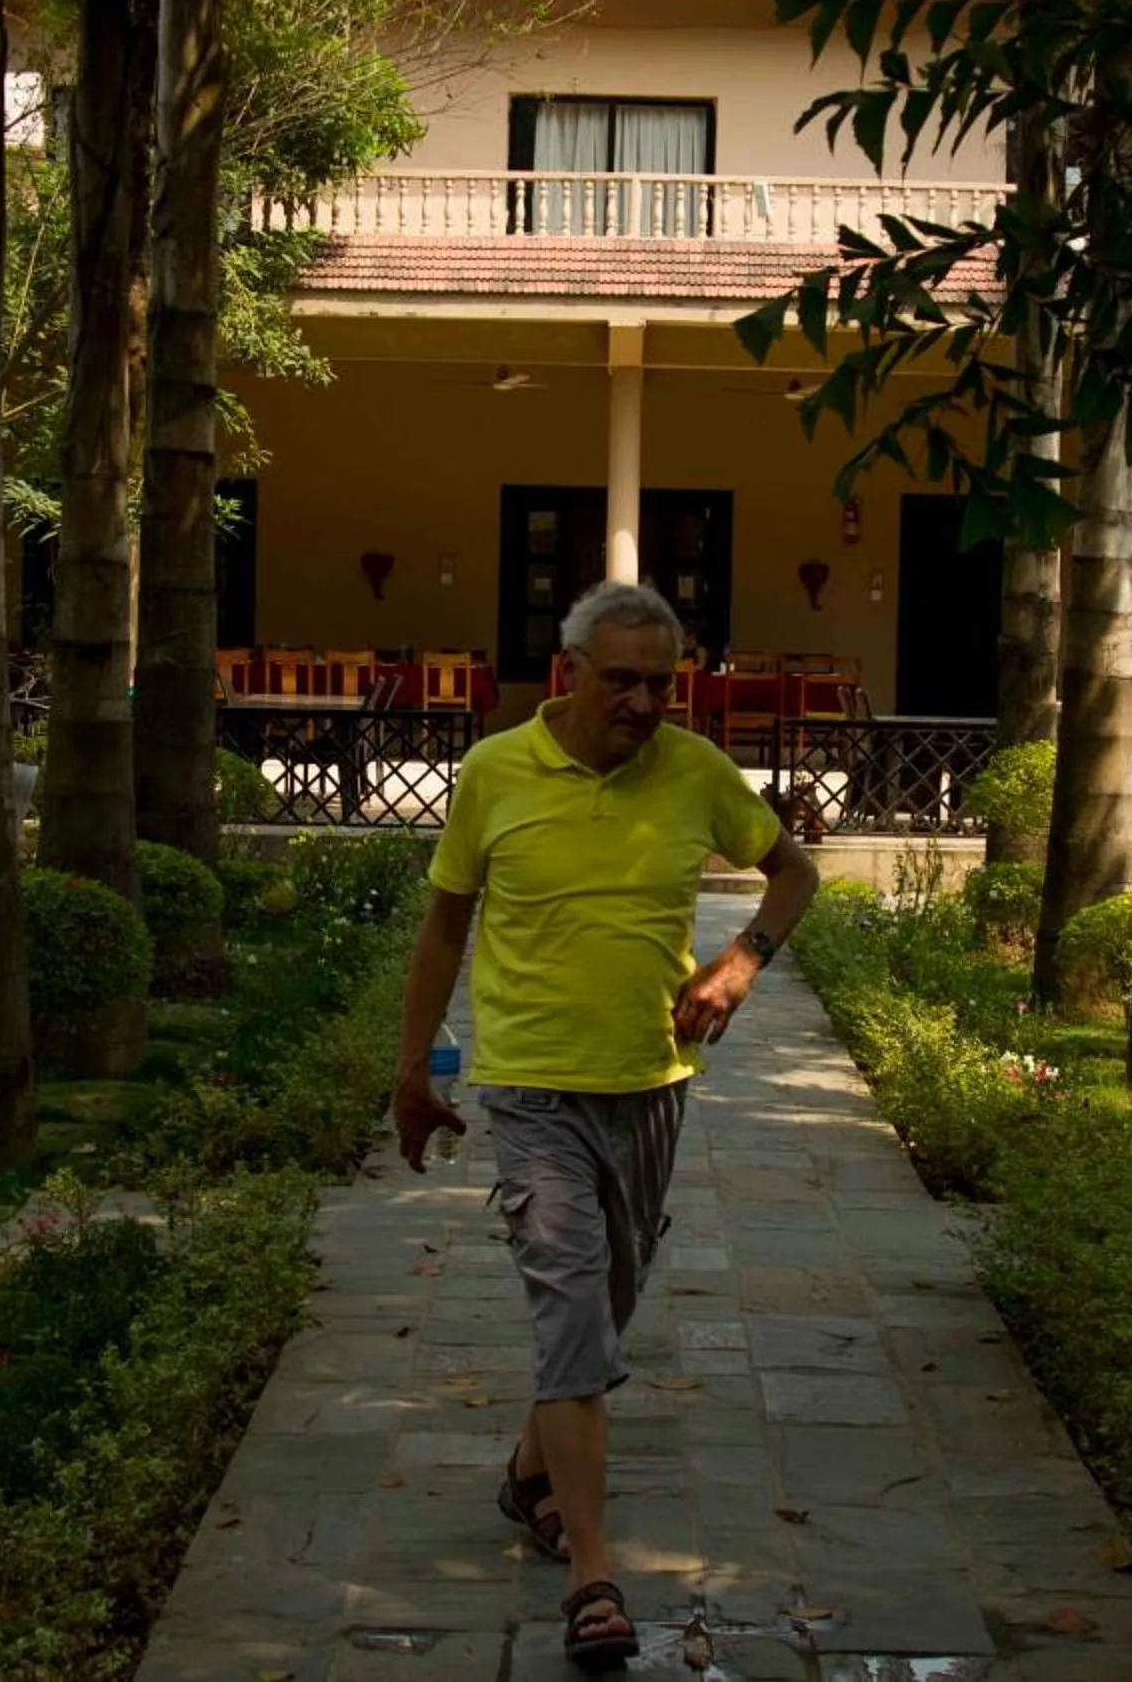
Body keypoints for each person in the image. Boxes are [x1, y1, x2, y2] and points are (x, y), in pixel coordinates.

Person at [393, 579, 818, 1673]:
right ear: (565, 675)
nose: (640, 703)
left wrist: (740, 963)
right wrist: (411, 1070)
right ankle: (593, 1572)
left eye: (659, 685)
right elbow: (445, 926)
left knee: (604, 1308)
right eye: (620, 679)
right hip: (530, 1086)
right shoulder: (494, 773)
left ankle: (529, 1471)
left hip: (652, 1083)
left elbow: (794, 871)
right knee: (574, 1312)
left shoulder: (696, 773)